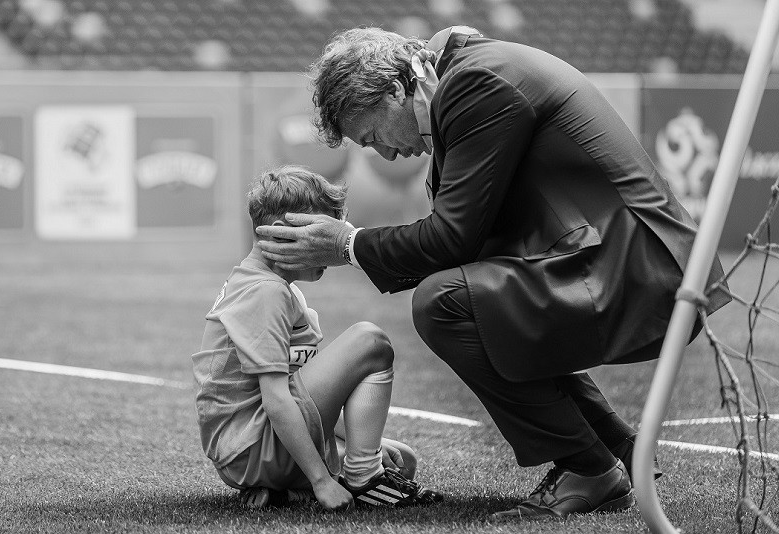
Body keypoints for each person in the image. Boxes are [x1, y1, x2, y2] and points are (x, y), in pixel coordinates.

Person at [254, 27, 731, 520]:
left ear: (395, 91)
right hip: (618, 257)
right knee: (484, 298)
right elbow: (468, 238)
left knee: (445, 303)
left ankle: (588, 467)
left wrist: (345, 244)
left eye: (373, 137)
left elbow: (450, 238)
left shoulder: (475, 84)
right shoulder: (458, 78)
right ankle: (616, 450)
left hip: (639, 269)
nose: (387, 155)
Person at [192, 166, 443, 510]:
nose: (327, 247)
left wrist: (363, 443)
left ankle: (283, 490)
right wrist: (323, 482)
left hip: (251, 453)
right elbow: (278, 399)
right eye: (317, 234)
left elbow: (304, 392)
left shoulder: (271, 286)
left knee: (401, 458)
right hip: (256, 445)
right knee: (370, 341)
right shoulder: (265, 293)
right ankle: (361, 479)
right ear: (279, 233)